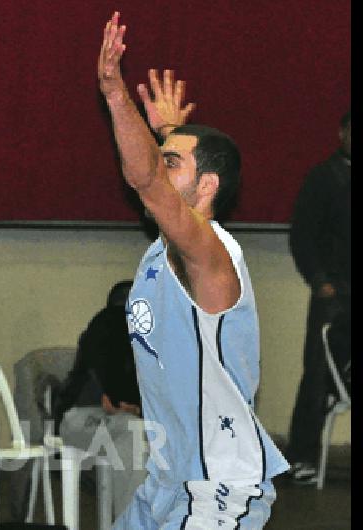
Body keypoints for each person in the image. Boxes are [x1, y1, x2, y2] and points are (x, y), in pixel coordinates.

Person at [97, 12, 288, 528]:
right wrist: (169, 135)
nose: (160, 167)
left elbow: (146, 181)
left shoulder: (208, 252)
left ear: (207, 187)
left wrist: (116, 94)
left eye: (173, 162)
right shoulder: (162, 251)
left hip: (217, 490)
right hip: (167, 480)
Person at [285, 110, 351, 485]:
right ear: (342, 132)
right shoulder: (324, 178)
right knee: (318, 375)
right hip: (335, 295)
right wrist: (321, 282)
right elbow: (303, 236)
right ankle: (302, 457)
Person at [50, 279, 147, 517]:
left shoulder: (141, 338)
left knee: (138, 435)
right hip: (81, 418)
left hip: (108, 425)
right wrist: (127, 405)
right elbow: (113, 396)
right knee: (134, 433)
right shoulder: (108, 324)